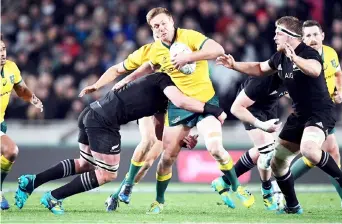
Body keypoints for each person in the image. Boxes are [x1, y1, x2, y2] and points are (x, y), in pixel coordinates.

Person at [14, 71, 226, 215]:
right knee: (107, 174)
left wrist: (181, 141)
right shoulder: (164, 80)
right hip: (105, 121)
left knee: (86, 164)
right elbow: (181, 101)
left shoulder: (162, 94)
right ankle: (53, 197)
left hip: (92, 112)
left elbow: (160, 133)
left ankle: (33, 181)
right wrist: (211, 109)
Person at [115, 7, 255, 214]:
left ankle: (237, 187)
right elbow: (146, 68)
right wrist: (125, 80)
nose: (160, 28)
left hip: (207, 103)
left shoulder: (189, 36)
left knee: (215, 148)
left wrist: (188, 58)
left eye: (163, 23)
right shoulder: (155, 49)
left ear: (171, 21)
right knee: (166, 159)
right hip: (180, 108)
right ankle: (159, 201)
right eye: (155, 26)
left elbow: (218, 50)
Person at [216, 16, 342, 214]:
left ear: (291, 36)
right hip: (299, 115)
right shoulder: (280, 57)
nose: (274, 37)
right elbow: (259, 68)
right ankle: (293, 206)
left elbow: (315, 70)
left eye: (278, 33)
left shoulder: (309, 53)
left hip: (319, 112)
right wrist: (235, 65)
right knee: (277, 163)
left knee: (309, 149)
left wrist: (295, 58)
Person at [78, 36, 198, 212]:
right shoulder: (164, 54)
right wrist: (126, 80)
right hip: (151, 105)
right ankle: (127, 185)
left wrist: (184, 136)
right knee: (148, 140)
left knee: (149, 162)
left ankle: (120, 192)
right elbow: (148, 66)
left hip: (168, 113)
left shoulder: (195, 70)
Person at [276, 19, 342, 208]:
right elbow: (284, 83)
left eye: (315, 34)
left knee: (326, 152)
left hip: (325, 109)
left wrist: (341, 92)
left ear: (322, 35)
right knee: (319, 152)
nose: (312, 39)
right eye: (308, 36)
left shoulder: (330, 53)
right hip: (310, 113)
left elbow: (338, 73)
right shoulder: (301, 58)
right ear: (301, 39)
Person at [212, 75, 286, 210]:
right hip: (250, 108)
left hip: (270, 106)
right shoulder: (262, 80)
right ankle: (268, 192)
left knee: (263, 151)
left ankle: (224, 181)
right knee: (268, 153)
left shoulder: (296, 75)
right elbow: (236, 108)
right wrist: (261, 125)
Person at [0, 36, 43, 210]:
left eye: (3, 49)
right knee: (11, 149)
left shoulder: (11, 68)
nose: (2, 54)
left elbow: (21, 89)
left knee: (11, 152)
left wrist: (33, 99)